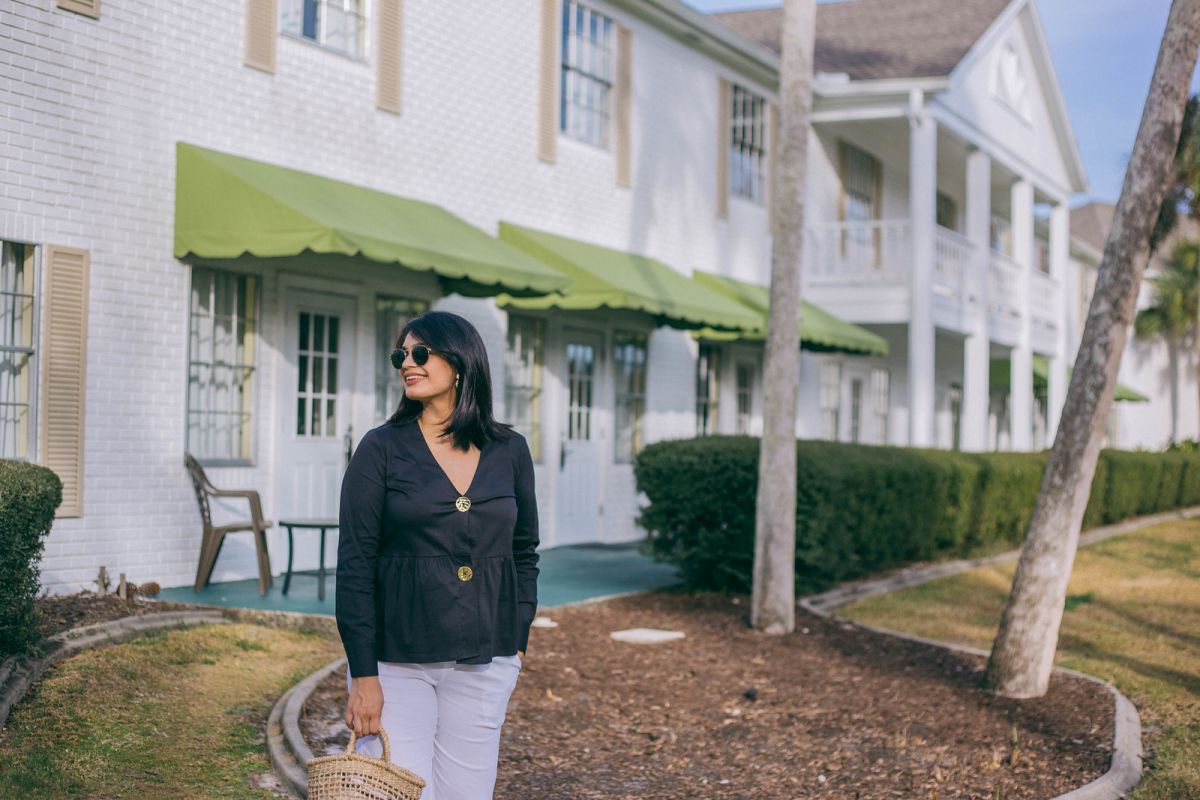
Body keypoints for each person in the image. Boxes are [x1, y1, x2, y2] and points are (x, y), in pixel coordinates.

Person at [335, 309, 540, 800]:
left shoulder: (509, 449)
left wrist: (516, 641)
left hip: (484, 661)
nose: (409, 362)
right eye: (401, 355)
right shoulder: (380, 449)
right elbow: (355, 565)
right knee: (398, 792)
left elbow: (524, 551)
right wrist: (364, 676)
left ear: (462, 363)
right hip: (396, 662)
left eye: (421, 353)